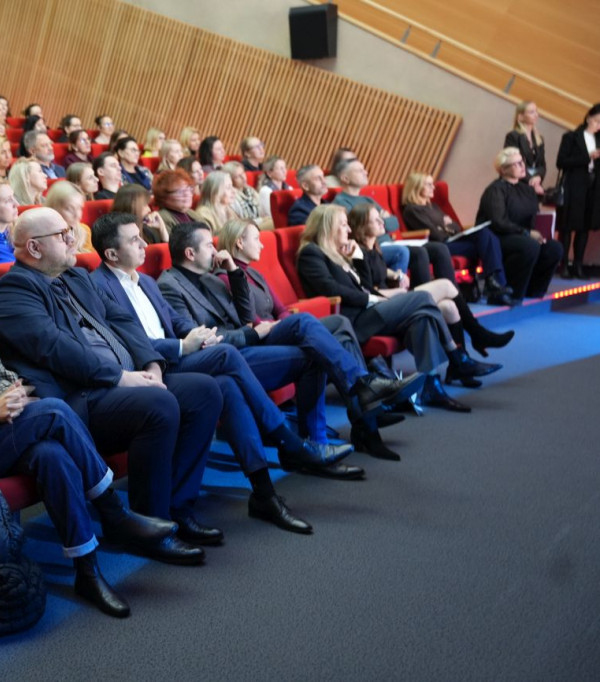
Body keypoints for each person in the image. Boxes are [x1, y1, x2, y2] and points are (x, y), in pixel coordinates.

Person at [0, 239, 184, 616]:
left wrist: (8, 397)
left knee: (51, 455)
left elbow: (5, 379)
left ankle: (86, 570)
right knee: (53, 412)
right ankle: (112, 512)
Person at [91, 213, 369, 527]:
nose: (145, 243)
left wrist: (200, 335)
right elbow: (129, 340)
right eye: (134, 240)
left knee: (227, 384)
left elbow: (179, 322)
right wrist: (185, 345)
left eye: (142, 236)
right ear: (112, 253)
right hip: (156, 365)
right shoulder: (100, 286)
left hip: (197, 352)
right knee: (227, 356)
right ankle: (288, 441)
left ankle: (261, 493)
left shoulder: (148, 282)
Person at [0, 207, 223, 558]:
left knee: (204, 391)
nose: (72, 240)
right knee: (158, 405)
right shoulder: (12, 292)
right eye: (63, 235)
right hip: (80, 399)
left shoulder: (77, 276)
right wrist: (122, 377)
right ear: (34, 248)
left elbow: (122, 319)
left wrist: (151, 364)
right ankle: (145, 525)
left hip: (120, 383)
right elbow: (55, 349)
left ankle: (178, 509)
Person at [159, 218, 421, 455]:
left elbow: (243, 315)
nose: (216, 251)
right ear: (190, 253)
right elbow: (201, 338)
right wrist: (250, 332)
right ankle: (360, 394)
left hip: (252, 338)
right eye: (209, 246)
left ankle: (327, 432)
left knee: (322, 332)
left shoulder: (215, 278)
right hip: (228, 355)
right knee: (308, 330)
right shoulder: (170, 285)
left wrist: (235, 273)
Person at [297, 204, 487, 412]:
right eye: (343, 225)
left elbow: (364, 285)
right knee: (423, 297)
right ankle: (456, 355)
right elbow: (330, 289)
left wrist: (358, 259)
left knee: (421, 317)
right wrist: (373, 300)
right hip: (355, 320)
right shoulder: (312, 253)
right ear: (328, 227)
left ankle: (431, 385)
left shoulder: (339, 252)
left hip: (370, 311)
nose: (349, 230)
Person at [348, 204, 512, 378]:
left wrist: (396, 275)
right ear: (361, 227)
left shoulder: (374, 248)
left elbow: (378, 272)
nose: (383, 222)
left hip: (394, 301)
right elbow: (366, 290)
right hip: (385, 307)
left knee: (448, 306)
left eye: (380, 217)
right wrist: (398, 293)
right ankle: (477, 334)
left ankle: (459, 365)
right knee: (446, 286)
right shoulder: (357, 254)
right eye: (375, 220)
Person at [401, 172, 513, 305]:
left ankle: (494, 282)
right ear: (416, 187)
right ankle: (496, 283)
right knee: (486, 242)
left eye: (433, 184)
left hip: (451, 240)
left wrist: (445, 227)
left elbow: (456, 227)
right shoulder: (412, 210)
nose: (433, 188)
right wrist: (445, 226)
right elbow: (435, 234)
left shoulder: (434, 207)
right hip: (439, 247)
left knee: (486, 234)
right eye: (429, 184)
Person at [476, 148, 564, 300]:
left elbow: (533, 217)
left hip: (522, 234)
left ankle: (534, 292)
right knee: (529, 245)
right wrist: (527, 233)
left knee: (554, 248)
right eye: (516, 164)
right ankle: (514, 292)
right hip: (498, 237)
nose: (523, 166)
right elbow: (498, 222)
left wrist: (540, 233)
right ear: (503, 169)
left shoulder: (527, 190)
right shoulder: (495, 190)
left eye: (522, 162)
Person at [331, 158, 413, 279]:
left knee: (434, 249)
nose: (366, 172)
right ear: (345, 178)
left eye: (364, 169)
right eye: (360, 170)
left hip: (387, 243)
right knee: (402, 252)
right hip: (370, 248)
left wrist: (376, 222)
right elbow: (359, 229)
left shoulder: (368, 199)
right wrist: (383, 219)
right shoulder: (340, 202)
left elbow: (395, 223)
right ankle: (395, 288)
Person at [555, 104, 600, 279]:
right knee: (567, 226)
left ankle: (579, 264)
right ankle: (564, 263)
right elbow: (561, 162)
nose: (598, 125)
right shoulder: (571, 137)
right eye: (597, 121)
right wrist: (588, 156)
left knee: (584, 227)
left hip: (593, 186)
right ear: (589, 117)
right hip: (574, 185)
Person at [504, 101, 546, 195]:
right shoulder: (513, 136)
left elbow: (542, 165)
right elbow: (513, 163)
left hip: (534, 185)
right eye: (531, 112)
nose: (536, 115)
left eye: (536, 111)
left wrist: (538, 177)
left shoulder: (540, 139)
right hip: (517, 184)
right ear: (521, 116)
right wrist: (531, 180)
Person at [44, 180, 92, 253]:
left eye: (80, 208)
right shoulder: (42, 236)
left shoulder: (84, 231)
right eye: (70, 209)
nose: (77, 215)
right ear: (54, 208)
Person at [154, 168, 203, 236]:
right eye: (180, 192)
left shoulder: (191, 213)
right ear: (164, 196)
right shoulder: (162, 218)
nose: (187, 194)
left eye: (189, 189)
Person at [225, 161, 267, 226]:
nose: (243, 177)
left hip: (258, 222)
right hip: (245, 227)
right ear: (230, 180)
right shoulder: (230, 196)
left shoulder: (250, 190)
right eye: (238, 176)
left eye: (243, 173)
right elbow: (236, 222)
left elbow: (263, 211)